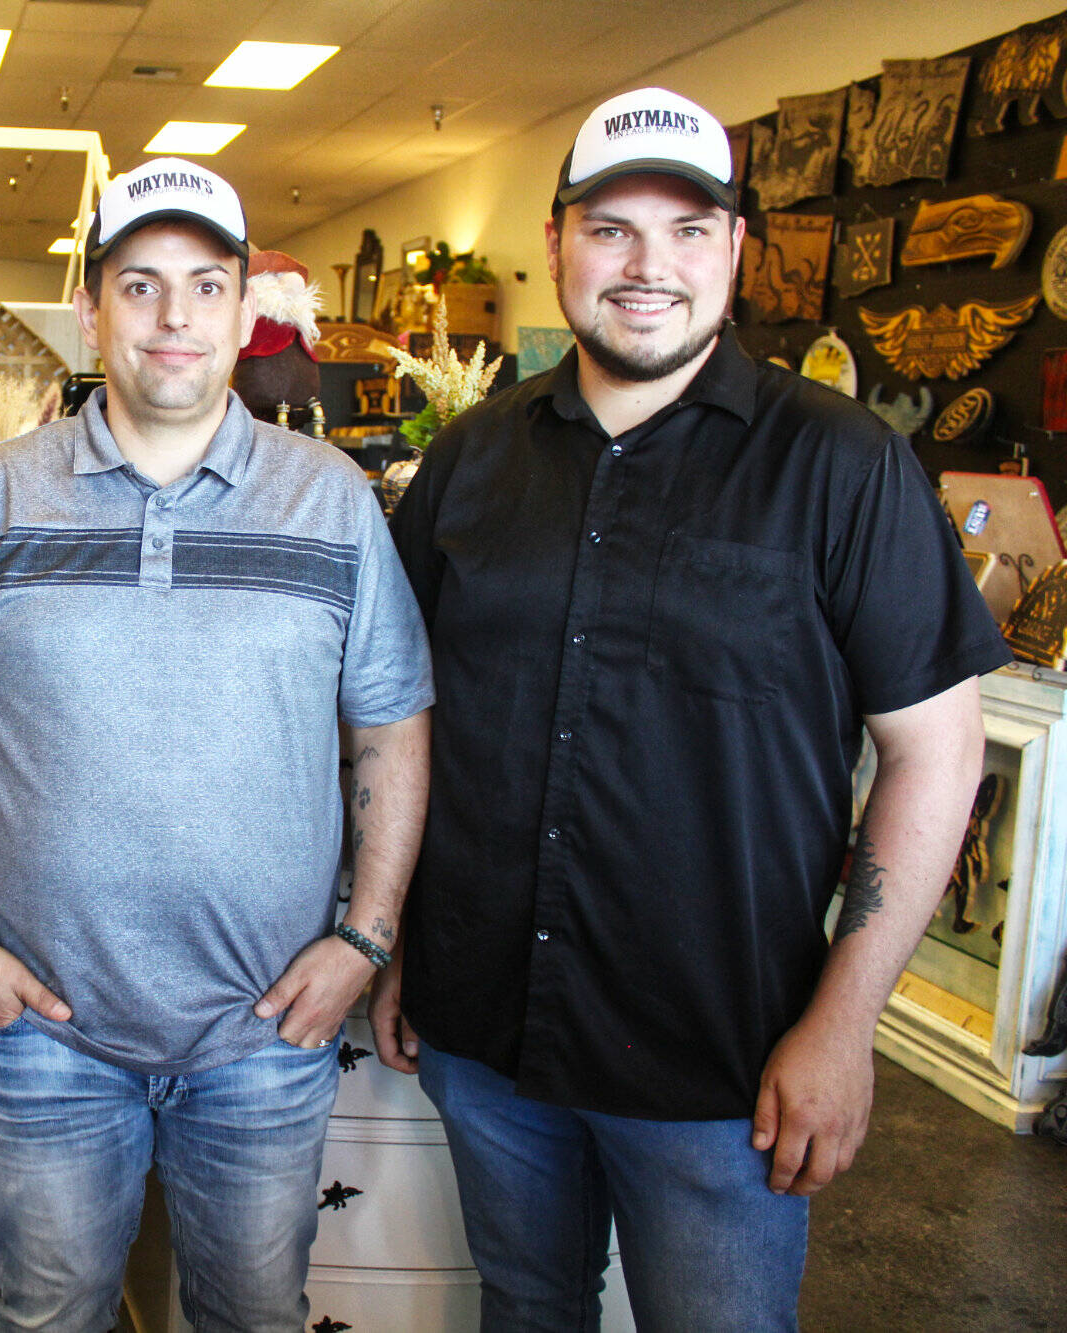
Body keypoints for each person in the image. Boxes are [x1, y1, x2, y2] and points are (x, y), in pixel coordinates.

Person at [377, 86, 1011, 1331]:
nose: (645, 265)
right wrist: (394, 932)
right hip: (481, 1026)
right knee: (522, 1304)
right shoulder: (468, 459)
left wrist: (843, 1021)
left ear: (734, 250)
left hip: (720, 1057)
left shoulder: (839, 464)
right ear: (557, 240)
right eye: (610, 228)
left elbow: (934, 756)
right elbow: (405, 719)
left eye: (684, 229)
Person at [0, 157, 434, 1333]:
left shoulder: (328, 500)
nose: (173, 317)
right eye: (137, 285)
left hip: (265, 1031)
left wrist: (364, 940)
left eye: (204, 285)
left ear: (242, 313)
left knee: (253, 1316)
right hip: (45, 1035)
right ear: (88, 311)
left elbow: (391, 725)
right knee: (51, 1313)